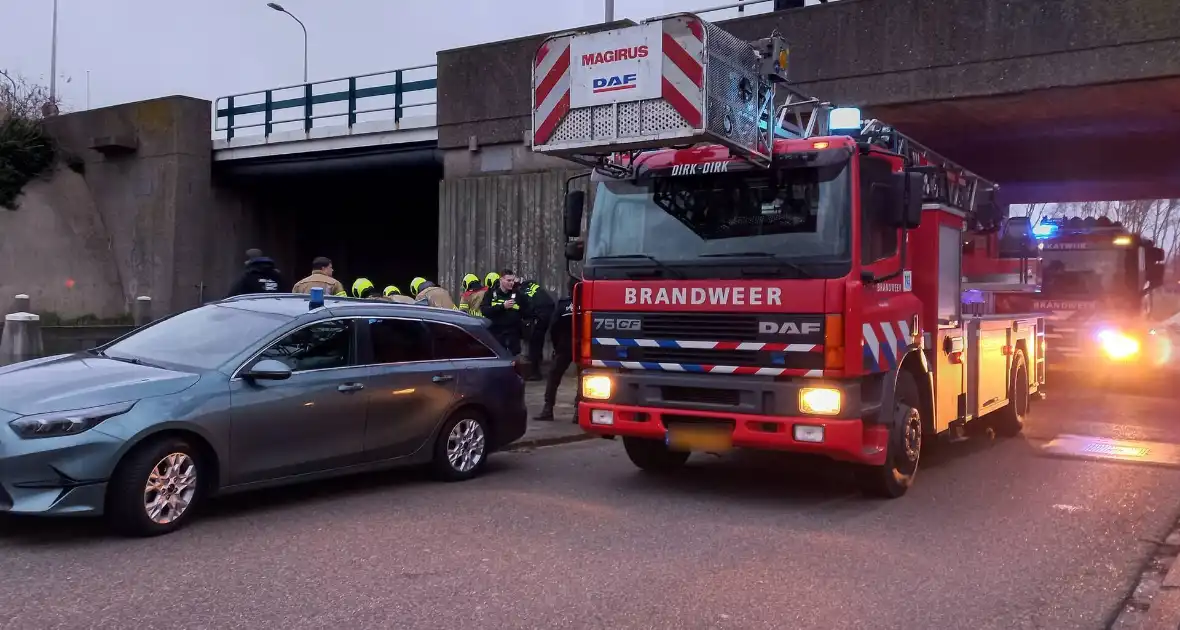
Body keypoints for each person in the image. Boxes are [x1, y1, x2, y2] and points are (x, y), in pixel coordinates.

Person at [535, 277, 577, 422]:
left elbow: (554, 327)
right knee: (585, 379)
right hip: (582, 346)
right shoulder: (588, 304)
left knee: (554, 377)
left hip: (563, 346)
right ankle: (578, 412)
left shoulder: (563, 305)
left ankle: (548, 409)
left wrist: (556, 345)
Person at [481, 269, 526, 356]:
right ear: (501, 280)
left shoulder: (519, 294)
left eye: (513, 280)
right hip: (496, 335)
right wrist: (502, 306)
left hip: (513, 337)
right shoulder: (490, 293)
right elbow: (484, 311)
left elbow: (526, 311)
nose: (511, 283)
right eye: (508, 280)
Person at [520, 277, 556, 381]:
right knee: (538, 343)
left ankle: (535, 373)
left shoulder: (525, 290)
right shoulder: (537, 288)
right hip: (548, 316)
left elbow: (525, 306)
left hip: (539, 318)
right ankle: (537, 368)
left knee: (534, 345)